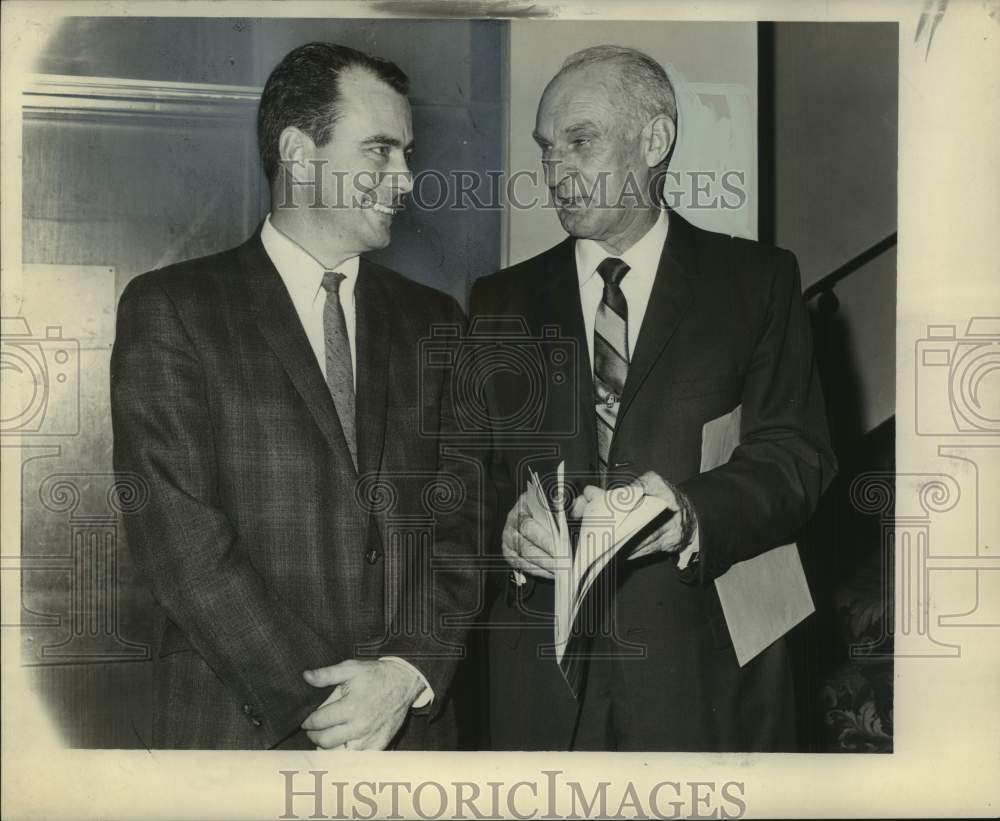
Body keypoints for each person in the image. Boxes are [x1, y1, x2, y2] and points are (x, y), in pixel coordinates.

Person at [111, 42, 479, 750]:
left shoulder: (437, 322)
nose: (404, 180)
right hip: (245, 732)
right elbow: (178, 538)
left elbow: (463, 520)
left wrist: (405, 673)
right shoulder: (175, 309)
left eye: (406, 153)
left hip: (409, 735)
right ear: (299, 154)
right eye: (379, 152)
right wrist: (330, 698)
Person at [472, 45, 837, 751]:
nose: (555, 171)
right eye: (548, 149)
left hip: (712, 673)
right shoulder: (499, 302)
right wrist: (507, 535)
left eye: (581, 141)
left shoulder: (756, 281)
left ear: (656, 140)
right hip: (544, 687)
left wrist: (690, 514)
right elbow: (469, 476)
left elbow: (798, 454)